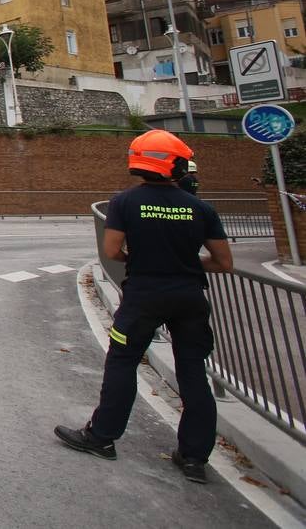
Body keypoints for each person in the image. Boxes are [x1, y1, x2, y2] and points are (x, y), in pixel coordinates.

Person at [54, 129, 233, 484]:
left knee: (122, 361)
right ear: (177, 165)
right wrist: (184, 263)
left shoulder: (124, 202)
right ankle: (194, 458)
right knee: (193, 373)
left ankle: (102, 437)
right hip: (189, 297)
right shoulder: (200, 208)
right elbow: (223, 262)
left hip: (143, 295)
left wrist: (145, 259)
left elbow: (111, 252)